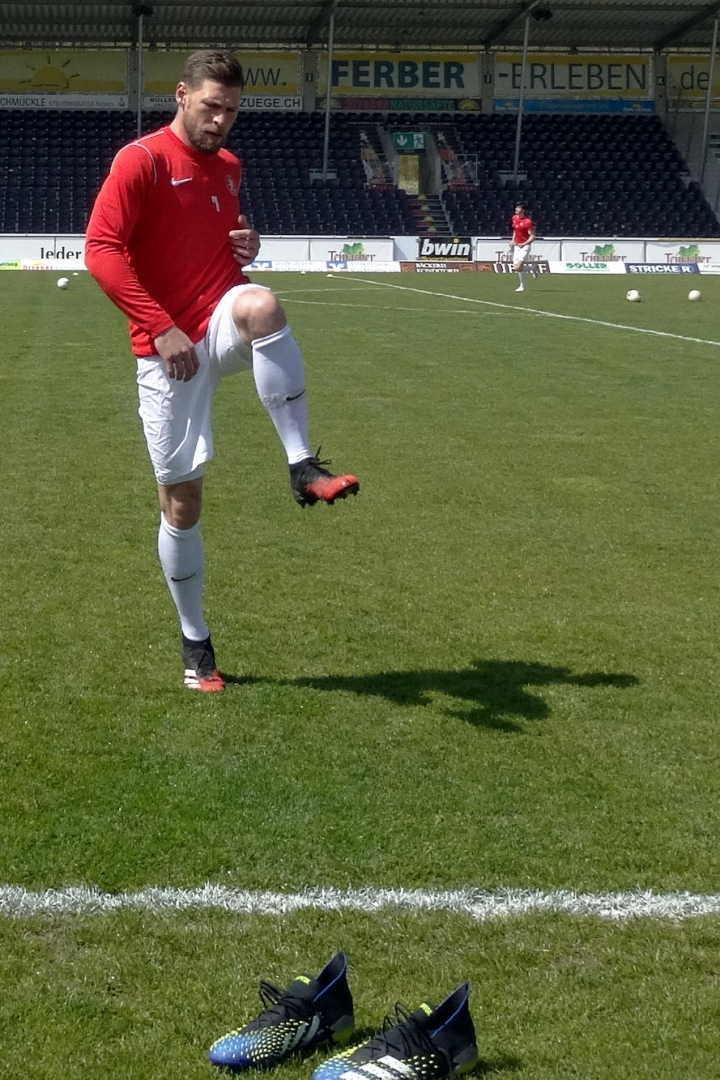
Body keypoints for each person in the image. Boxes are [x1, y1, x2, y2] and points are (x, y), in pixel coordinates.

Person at [85, 49, 359, 693]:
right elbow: (100, 250)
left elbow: (217, 244)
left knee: (262, 303)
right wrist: (160, 325)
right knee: (182, 503)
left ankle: (301, 466)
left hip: (215, 324)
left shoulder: (229, 166)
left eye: (232, 111)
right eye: (212, 106)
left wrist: (245, 245)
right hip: (165, 350)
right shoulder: (142, 160)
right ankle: (195, 642)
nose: (220, 121)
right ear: (181, 95)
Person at [509, 202, 536, 292]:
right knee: (516, 267)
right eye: (516, 207)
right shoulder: (514, 218)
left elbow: (532, 236)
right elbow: (515, 231)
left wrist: (524, 243)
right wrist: (513, 240)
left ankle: (522, 286)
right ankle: (531, 268)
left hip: (525, 246)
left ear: (523, 210)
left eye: (518, 208)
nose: (516, 209)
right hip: (517, 246)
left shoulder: (527, 222)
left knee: (518, 267)